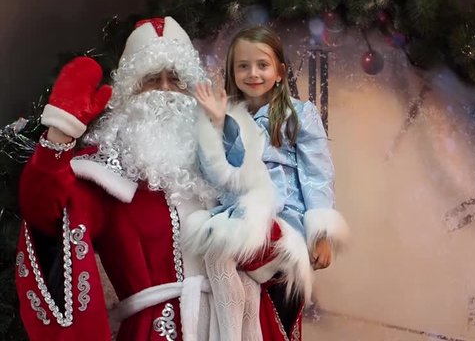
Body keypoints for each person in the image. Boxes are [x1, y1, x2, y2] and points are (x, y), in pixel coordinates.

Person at [15, 17, 286, 341]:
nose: (166, 91)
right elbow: (44, 215)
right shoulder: (104, 176)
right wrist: (59, 135)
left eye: (177, 79)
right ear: (128, 94)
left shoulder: (224, 166)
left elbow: (269, 262)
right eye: (151, 80)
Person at [182, 25, 349, 341]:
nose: (253, 73)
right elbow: (220, 174)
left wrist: (321, 233)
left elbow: (317, 175)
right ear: (232, 73)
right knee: (244, 288)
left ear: (280, 72)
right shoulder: (228, 116)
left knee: (218, 251)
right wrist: (218, 126)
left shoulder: (298, 115)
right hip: (242, 219)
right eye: (243, 66)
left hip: (283, 223)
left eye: (262, 65)